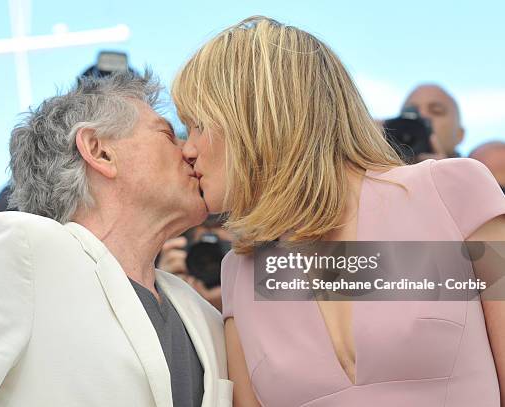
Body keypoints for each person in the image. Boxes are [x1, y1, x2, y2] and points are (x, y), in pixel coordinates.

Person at [171, 16, 505, 406]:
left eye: (197, 125)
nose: (186, 148)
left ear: (257, 115)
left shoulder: (451, 193)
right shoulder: (240, 274)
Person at [0, 72, 233, 406]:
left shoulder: (206, 315)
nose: (189, 151)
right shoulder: (21, 247)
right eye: (168, 134)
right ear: (98, 151)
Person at [402, 84, 465, 160]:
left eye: (436, 111)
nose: (422, 116)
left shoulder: (476, 169)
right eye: (410, 112)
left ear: (459, 135)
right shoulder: (386, 169)